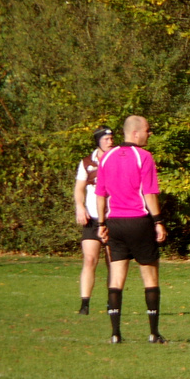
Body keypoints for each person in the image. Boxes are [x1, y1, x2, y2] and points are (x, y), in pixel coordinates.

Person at [94, 116, 167, 344]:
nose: (149, 134)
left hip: (114, 223)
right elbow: (150, 193)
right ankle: (154, 333)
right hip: (139, 221)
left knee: (116, 278)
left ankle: (115, 334)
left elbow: (100, 194)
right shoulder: (144, 156)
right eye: (148, 130)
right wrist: (158, 221)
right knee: (150, 276)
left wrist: (101, 224)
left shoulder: (106, 157)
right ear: (136, 133)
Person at [73, 126, 115, 316]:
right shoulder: (87, 162)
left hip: (113, 217)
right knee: (90, 260)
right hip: (92, 218)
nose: (110, 141)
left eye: (112, 138)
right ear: (98, 141)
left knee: (112, 261)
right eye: (106, 139)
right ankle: (85, 304)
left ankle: (112, 302)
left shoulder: (118, 159)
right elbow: (79, 188)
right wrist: (79, 206)